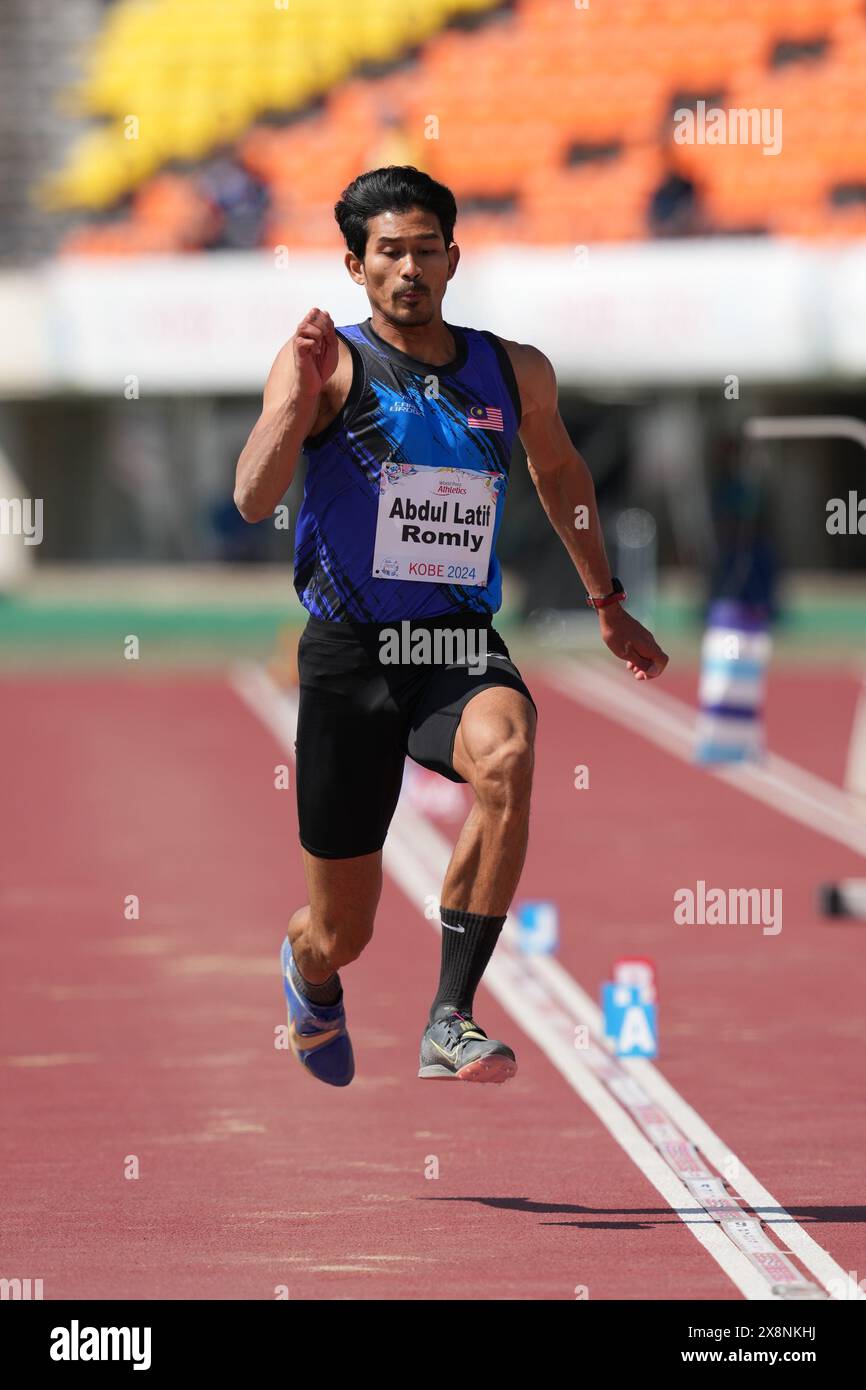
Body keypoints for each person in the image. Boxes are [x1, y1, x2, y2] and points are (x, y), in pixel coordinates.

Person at [235, 166, 668, 1088]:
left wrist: (607, 602)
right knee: (340, 933)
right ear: (355, 265)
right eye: (389, 252)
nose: (409, 269)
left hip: (453, 644)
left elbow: (560, 478)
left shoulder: (513, 370)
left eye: (425, 250)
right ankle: (307, 974)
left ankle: (450, 1016)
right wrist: (293, 400)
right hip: (350, 657)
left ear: (453, 258)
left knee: (507, 756)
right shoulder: (327, 363)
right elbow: (252, 496)